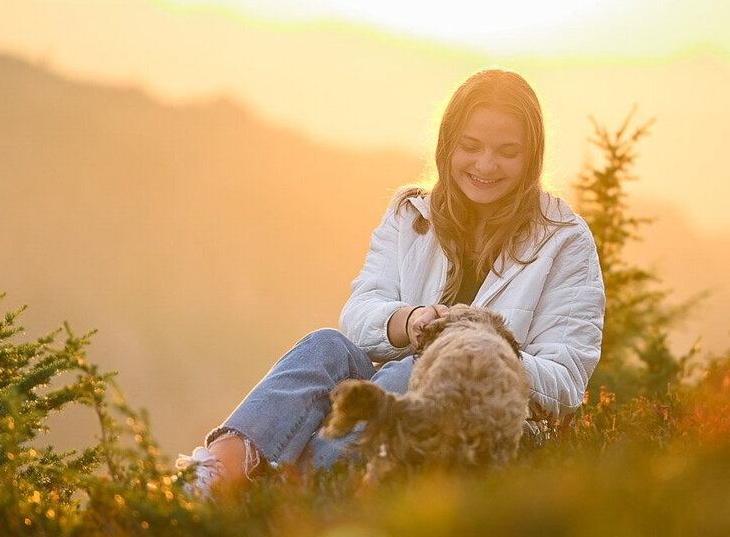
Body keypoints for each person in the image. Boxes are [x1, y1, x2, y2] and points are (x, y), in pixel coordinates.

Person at [176, 68, 605, 496]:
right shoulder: (411, 214)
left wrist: (465, 349)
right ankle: (215, 478)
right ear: (447, 145)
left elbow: (566, 382)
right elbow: (358, 319)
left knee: (409, 372)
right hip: (399, 407)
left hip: (494, 430)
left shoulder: (565, 240)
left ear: (532, 156)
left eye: (507, 152)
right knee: (327, 346)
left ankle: (291, 499)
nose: (486, 165)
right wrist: (411, 319)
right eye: (470, 146)